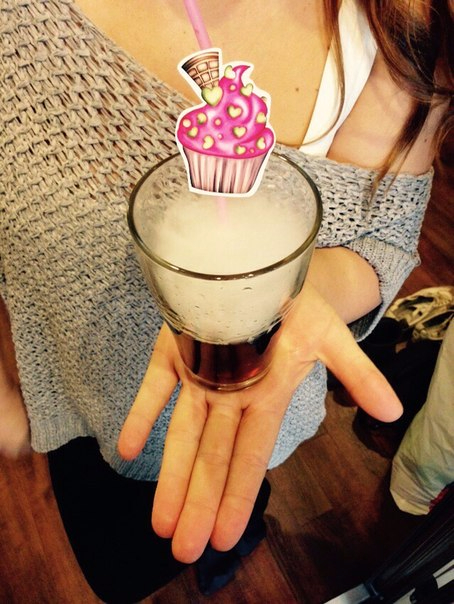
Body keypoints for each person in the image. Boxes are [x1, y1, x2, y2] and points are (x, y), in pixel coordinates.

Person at [0, 0, 452, 601]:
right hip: (75, 392)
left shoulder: (402, 26)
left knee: (237, 511)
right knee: (122, 565)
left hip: (258, 408)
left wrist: (289, 290)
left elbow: (384, 238)